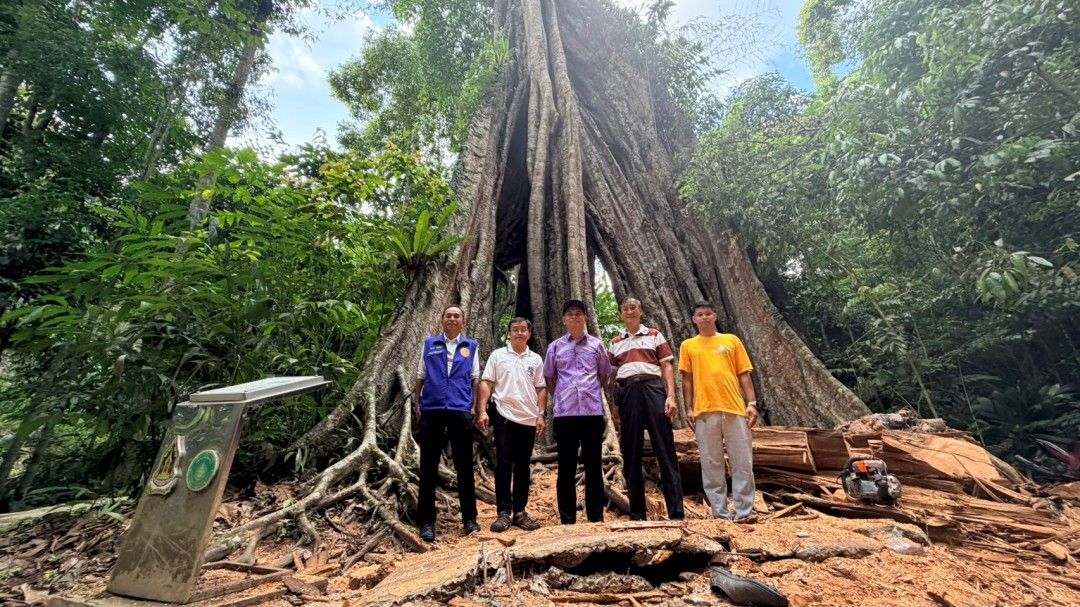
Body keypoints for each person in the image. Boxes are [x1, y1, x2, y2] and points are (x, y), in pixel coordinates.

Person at [678, 301, 760, 522]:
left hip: (734, 408)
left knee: (742, 461)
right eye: (700, 314)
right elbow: (687, 379)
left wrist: (751, 403)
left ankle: (745, 512)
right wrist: (689, 408)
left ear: (715, 316)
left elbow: (744, 373)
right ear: (694, 319)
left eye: (708, 313)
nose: (704, 317)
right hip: (704, 410)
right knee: (711, 463)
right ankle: (720, 513)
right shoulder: (688, 345)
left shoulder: (731, 340)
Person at [608, 298, 684, 521]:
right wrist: (615, 405)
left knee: (665, 448)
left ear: (641, 311)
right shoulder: (615, 342)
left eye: (633, 308)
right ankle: (637, 513)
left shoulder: (654, 334)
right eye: (625, 309)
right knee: (631, 450)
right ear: (621, 314)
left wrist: (671, 396)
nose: (629, 311)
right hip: (628, 392)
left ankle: (676, 512)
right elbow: (612, 377)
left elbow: (666, 366)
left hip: (653, 388)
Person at [413, 305, 481, 542]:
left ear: (463, 321)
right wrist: (418, 404)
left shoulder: (471, 346)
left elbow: (475, 378)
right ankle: (426, 521)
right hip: (432, 408)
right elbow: (420, 376)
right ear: (442, 320)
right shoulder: (430, 344)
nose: (452, 319)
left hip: (460, 409)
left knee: (464, 465)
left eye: (456, 316)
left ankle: (469, 518)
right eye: (448, 315)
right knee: (428, 465)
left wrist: (474, 406)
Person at [544, 299, 614, 524]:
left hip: (592, 413)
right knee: (566, 465)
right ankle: (567, 519)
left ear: (586, 318)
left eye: (578, 313)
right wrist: (563, 396)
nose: (574, 317)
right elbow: (549, 377)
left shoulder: (596, 345)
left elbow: (604, 374)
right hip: (565, 414)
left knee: (593, 465)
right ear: (564, 320)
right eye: (570, 314)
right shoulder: (555, 347)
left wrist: (589, 391)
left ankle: (595, 516)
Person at [477, 317, 547, 532]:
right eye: (515, 329)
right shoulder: (498, 355)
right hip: (504, 416)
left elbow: (541, 387)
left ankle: (520, 511)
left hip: (528, 418)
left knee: (523, 466)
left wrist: (541, 414)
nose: (519, 333)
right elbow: (486, 382)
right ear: (509, 333)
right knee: (504, 464)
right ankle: (504, 512)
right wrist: (482, 410)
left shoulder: (535, 359)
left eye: (523, 329)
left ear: (529, 334)